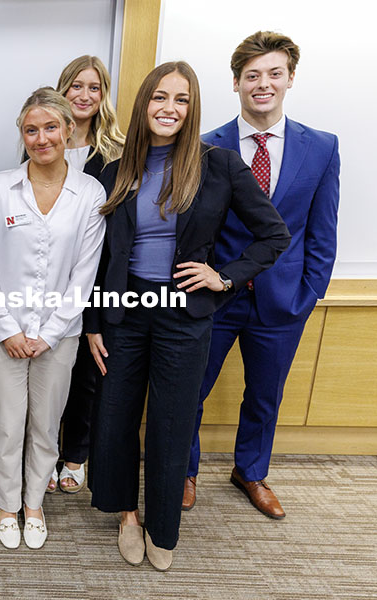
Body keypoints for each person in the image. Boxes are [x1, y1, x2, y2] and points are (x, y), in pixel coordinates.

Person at [85, 61, 289, 571]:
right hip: (123, 309)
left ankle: (162, 526)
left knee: (172, 422)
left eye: (180, 99)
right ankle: (127, 514)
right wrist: (92, 322)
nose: (168, 108)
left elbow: (274, 235)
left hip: (184, 312)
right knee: (114, 416)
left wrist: (223, 276)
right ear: (143, 105)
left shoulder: (218, 165)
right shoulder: (114, 170)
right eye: (159, 98)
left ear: (192, 108)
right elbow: (96, 257)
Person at [184, 31, 340, 518]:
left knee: (265, 395)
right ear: (236, 83)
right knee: (190, 388)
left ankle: (250, 471)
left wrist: (309, 293)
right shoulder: (206, 146)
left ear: (290, 78)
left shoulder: (321, 147)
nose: (263, 84)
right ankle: (185, 470)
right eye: (252, 75)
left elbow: (323, 230)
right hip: (214, 298)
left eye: (274, 73)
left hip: (282, 300)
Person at [0, 87, 105, 549]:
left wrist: (47, 334)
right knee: (7, 423)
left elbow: (84, 273)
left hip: (60, 335)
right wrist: (9, 329)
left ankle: (34, 504)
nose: (42, 137)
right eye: (32, 129)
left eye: (51, 127)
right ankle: (7, 505)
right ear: (22, 135)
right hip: (1, 332)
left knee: (46, 425)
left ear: (70, 130)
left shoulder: (90, 193)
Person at [47, 55, 125, 494]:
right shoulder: (41, 140)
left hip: (98, 279)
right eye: (76, 86)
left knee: (87, 374)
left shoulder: (116, 152)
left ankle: (75, 455)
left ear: (103, 96)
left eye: (94, 88)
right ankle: (40, 453)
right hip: (47, 281)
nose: (84, 95)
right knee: (47, 372)